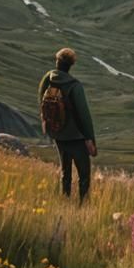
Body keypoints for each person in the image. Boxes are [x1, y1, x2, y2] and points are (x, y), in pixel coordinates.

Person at [38, 47, 97, 202]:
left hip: (58, 135)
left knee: (65, 172)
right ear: (71, 64)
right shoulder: (74, 86)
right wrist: (90, 139)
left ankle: (64, 201)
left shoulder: (48, 78)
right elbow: (84, 116)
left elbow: (41, 100)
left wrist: (49, 124)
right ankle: (83, 206)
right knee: (84, 175)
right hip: (76, 137)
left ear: (57, 61)